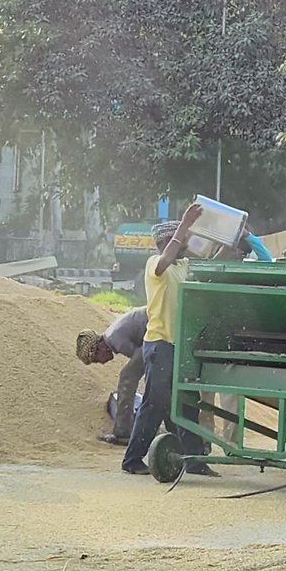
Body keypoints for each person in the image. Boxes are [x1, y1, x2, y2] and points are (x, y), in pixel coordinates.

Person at [122, 204, 222, 477]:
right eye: (182, 240)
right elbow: (166, 258)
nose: (186, 244)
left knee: (188, 405)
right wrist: (185, 224)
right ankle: (132, 460)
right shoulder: (156, 265)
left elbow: (211, 262)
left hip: (182, 348)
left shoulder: (183, 266)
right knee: (155, 404)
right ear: (167, 242)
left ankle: (194, 461)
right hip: (160, 344)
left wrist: (234, 242)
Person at [76, 306, 149, 445]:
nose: (101, 363)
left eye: (96, 359)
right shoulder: (112, 335)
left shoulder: (116, 340)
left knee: (127, 378)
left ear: (100, 348)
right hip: (157, 324)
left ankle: (123, 433)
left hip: (159, 326)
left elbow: (146, 359)